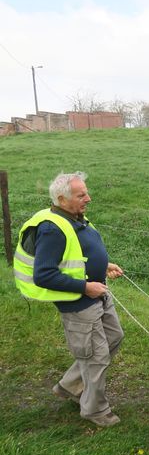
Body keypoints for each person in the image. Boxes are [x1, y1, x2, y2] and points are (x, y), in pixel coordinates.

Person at [13, 172, 125, 427]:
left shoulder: (75, 218)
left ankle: (70, 386)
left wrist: (103, 264)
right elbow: (44, 275)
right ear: (62, 199)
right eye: (81, 194)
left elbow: (77, 253)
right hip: (79, 303)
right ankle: (95, 410)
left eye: (86, 192)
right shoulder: (52, 229)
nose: (89, 198)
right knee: (95, 357)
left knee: (114, 337)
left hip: (97, 294)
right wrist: (85, 287)